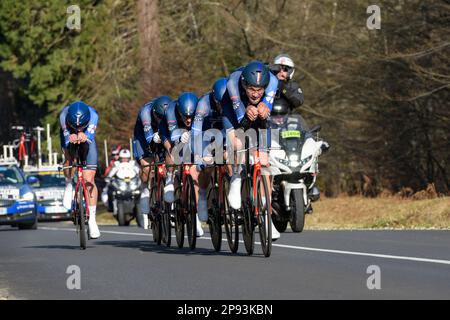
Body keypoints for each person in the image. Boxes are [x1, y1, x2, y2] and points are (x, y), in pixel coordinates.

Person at [222, 61, 280, 240]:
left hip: (257, 114)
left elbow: (265, 108)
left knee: (264, 162)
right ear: (244, 85)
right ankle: (236, 178)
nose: (255, 94)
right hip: (233, 110)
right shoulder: (233, 83)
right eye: (252, 90)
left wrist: (265, 107)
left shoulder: (272, 82)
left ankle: (266, 218)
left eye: (259, 90)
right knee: (238, 145)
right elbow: (241, 117)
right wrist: (247, 108)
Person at [164, 92, 204, 237]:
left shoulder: (200, 110)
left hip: (192, 135)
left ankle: (195, 215)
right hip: (169, 131)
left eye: (190, 116)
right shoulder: (170, 111)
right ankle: (170, 177)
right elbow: (173, 136)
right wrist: (179, 137)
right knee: (172, 153)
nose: (188, 119)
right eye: (185, 116)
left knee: (193, 174)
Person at [60, 100, 101, 239]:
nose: (78, 128)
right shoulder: (63, 115)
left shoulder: (93, 115)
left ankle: (93, 220)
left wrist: (86, 135)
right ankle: (68, 182)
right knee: (68, 157)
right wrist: (69, 136)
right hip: (68, 135)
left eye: (81, 126)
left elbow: (88, 136)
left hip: (87, 139)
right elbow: (67, 136)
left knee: (89, 179)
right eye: (75, 126)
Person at [132, 96, 172, 229]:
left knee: (170, 160)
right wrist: (153, 137)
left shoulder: (170, 113)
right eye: (159, 117)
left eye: (163, 118)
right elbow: (149, 137)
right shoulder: (145, 113)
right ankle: (144, 189)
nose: (160, 120)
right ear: (154, 113)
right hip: (142, 137)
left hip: (162, 134)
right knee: (147, 167)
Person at [192, 77, 228, 222]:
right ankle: (203, 194)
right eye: (219, 103)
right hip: (204, 135)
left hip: (224, 134)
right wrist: (199, 154)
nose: (222, 106)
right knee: (206, 166)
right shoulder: (203, 104)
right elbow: (196, 132)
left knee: (230, 159)